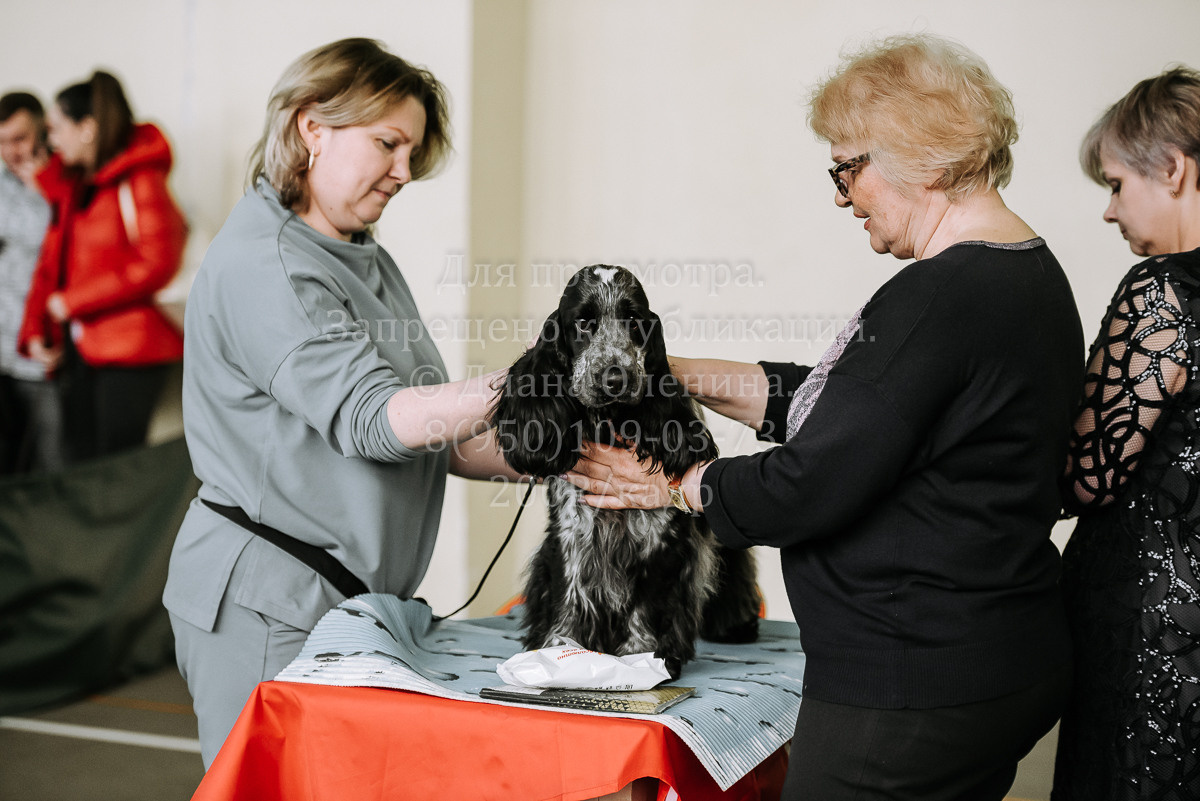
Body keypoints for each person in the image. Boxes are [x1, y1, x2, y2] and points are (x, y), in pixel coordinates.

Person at [565, 34, 1083, 800]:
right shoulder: (1027, 273)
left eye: (849, 169)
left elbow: (808, 482)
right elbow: (852, 408)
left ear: (927, 159)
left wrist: (671, 483)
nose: (842, 196)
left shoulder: (937, 296)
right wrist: (669, 371)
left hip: (909, 690)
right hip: (993, 660)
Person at [162, 38, 519, 768]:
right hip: (268, 605)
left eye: (412, 151)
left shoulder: (363, 255)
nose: (404, 172)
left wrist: (558, 453)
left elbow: (432, 431)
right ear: (311, 127)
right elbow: (374, 420)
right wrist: (533, 384)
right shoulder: (270, 264)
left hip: (346, 606)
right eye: (388, 144)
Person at [1052, 66, 1200, 800]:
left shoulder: (1163, 290)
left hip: (1155, 634)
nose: (1111, 212)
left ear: (1172, 168)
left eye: (1115, 184)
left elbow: (1085, 473)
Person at [16, 71, 186, 464]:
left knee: (115, 466)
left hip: (131, 349)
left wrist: (73, 302)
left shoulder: (140, 179)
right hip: (86, 348)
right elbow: (54, 264)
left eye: (56, 129)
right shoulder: (78, 188)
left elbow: (157, 262)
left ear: (87, 128)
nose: (52, 142)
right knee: (81, 462)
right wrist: (39, 330)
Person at [0, 91, 62, 473]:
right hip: (1, 347)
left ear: (43, 131)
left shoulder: (67, 181)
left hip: (41, 354)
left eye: (20, 139)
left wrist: (48, 189)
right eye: (2, 141)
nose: (11, 151)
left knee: (49, 463)